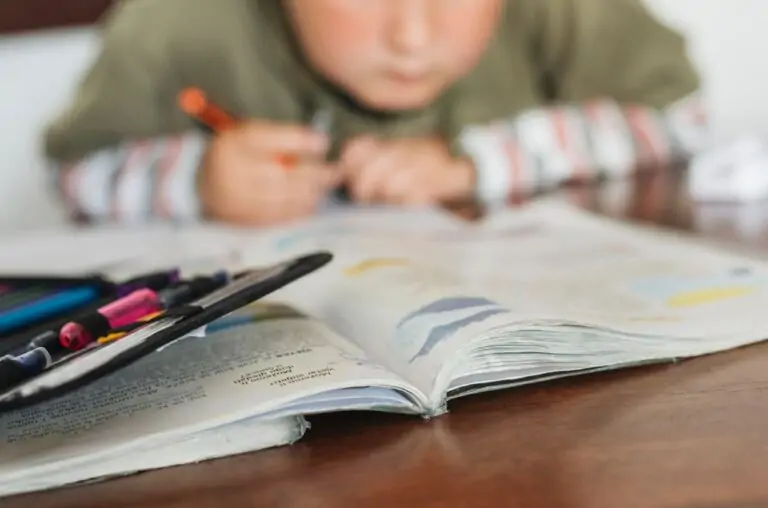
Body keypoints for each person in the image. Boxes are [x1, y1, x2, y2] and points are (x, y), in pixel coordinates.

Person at [43, 0, 707, 226]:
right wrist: (196, 180)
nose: (413, 37)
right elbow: (75, 168)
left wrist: (476, 164)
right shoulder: (176, 21)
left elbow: (678, 112)